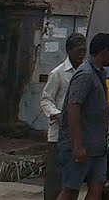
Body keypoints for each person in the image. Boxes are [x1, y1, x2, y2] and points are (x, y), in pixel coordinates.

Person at [55, 32, 109, 200]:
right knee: (71, 189)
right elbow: (73, 108)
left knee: (98, 185)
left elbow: (93, 108)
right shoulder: (85, 75)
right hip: (81, 145)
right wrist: (77, 145)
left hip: (97, 146)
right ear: (104, 52)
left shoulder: (98, 74)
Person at [40, 33, 87, 200]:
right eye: (78, 50)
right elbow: (46, 100)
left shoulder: (85, 72)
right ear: (69, 50)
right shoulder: (58, 73)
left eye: (84, 50)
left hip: (76, 133)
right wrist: (56, 114)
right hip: (58, 134)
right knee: (55, 176)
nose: (82, 54)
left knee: (71, 179)